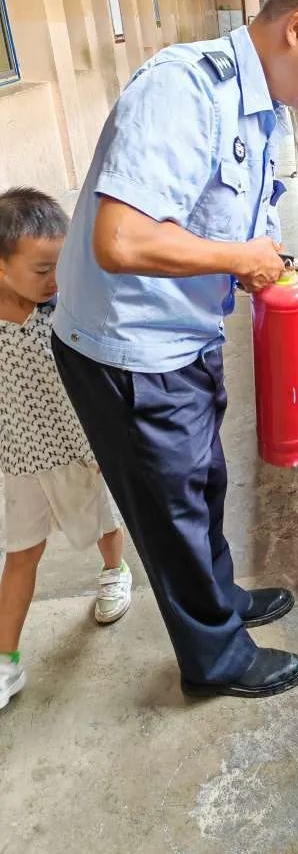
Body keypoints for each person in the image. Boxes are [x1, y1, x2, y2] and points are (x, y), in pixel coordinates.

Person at [51, 0, 298, 700]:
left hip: (184, 333)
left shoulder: (267, 117)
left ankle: (223, 599)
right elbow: (121, 237)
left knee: (202, 484)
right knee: (171, 510)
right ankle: (216, 658)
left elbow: (271, 259)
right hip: (128, 348)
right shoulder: (182, 90)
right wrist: (236, 260)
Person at [0, 188, 131, 711]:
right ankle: (6, 660)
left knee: (104, 519)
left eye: (62, 264)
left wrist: (106, 438)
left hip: (80, 446)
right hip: (18, 453)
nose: (55, 280)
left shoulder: (65, 309)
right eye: (41, 269)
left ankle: (114, 571)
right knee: (21, 552)